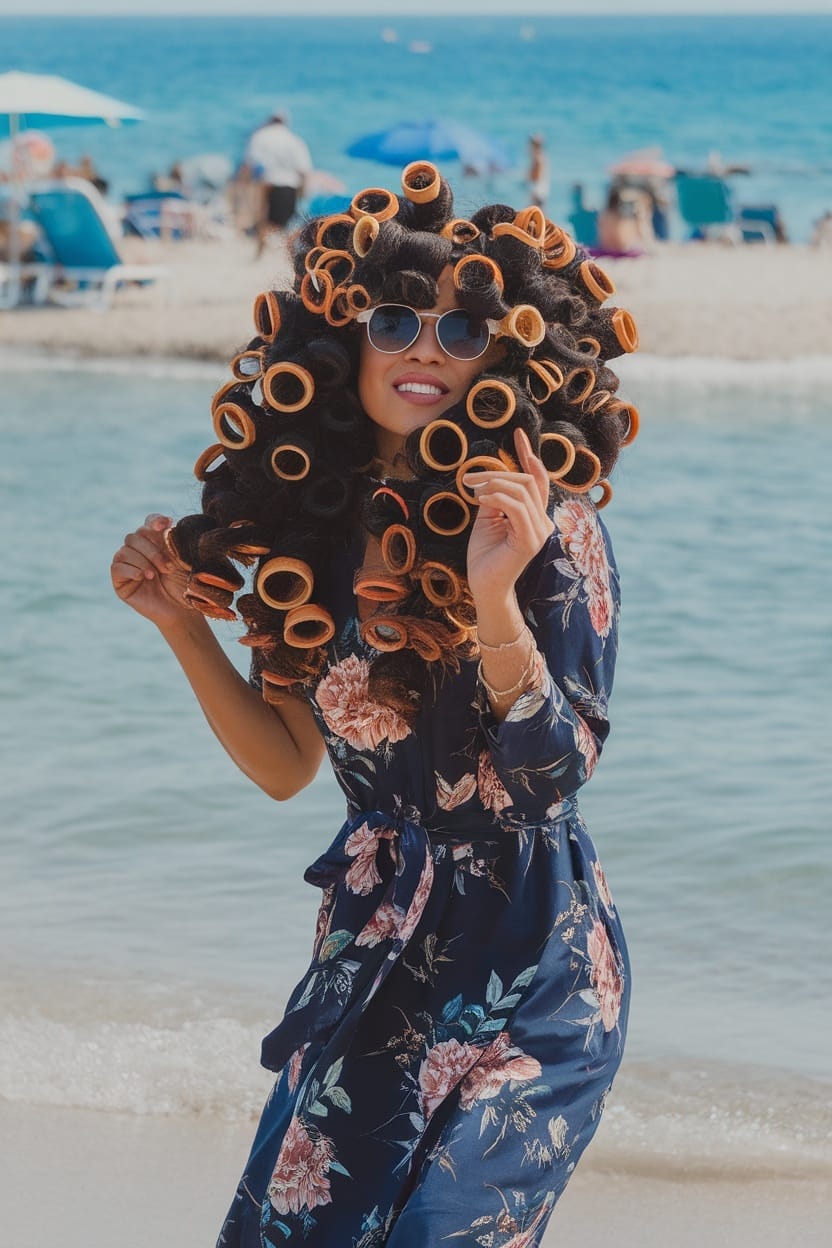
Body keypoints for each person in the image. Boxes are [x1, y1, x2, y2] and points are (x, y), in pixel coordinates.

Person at [110, 162, 639, 1247]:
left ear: (504, 353)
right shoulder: (305, 532)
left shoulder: (552, 527)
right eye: (395, 319)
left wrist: (495, 596)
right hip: (375, 948)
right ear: (340, 337)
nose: (423, 353)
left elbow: (552, 778)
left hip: (531, 957)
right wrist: (181, 629)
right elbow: (282, 766)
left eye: (461, 332)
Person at [244, 109, 312, 259]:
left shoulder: (260, 136)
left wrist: (246, 186)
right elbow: (304, 170)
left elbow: (249, 162)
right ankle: (290, 255)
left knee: (263, 219)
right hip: (289, 183)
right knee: (287, 222)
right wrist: (304, 193)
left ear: (270, 120)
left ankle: (259, 253)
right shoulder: (294, 140)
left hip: (266, 181)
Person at [526, 133, 550, 210]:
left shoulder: (538, 158)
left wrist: (527, 175)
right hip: (541, 191)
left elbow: (536, 177)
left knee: (537, 215)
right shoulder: (541, 157)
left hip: (537, 191)